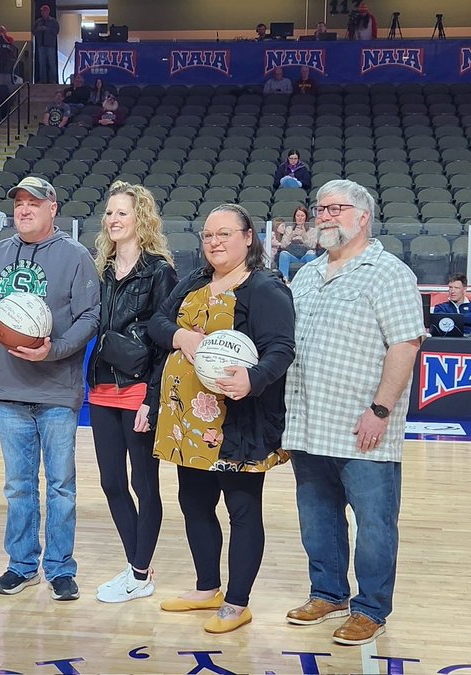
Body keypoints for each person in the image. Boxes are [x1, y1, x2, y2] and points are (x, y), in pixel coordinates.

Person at [283, 179, 424, 646]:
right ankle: (328, 594)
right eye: (320, 209)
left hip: (363, 426)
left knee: (375, 526)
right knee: (317, 519)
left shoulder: (389, 273)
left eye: (335, 209)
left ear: (362, 217)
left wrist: (380, 409)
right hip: (308, 425)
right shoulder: (306, 274)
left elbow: (405, 344)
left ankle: (371, 609)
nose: (324, 216)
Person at [149, 203, 295, 634]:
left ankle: (237, 602)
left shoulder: (265, 287)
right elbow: (158, 321)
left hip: (237, 420)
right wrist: (180, 334)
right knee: (194, 503)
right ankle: (207, 587)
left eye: (225, 234)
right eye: (209, 235)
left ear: (249, 237)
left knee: (242, 508)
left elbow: (282, 349)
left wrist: (253, 379)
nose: (214, 242)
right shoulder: (194, 280)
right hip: (185, 420)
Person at [0, 176, 100, 602]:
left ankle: (61, 568)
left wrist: (56, 351)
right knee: (17, 485)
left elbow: (90, 317)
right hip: (10, 389)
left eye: (34, 202)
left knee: (61, 485)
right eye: (19, 202)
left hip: (56, 388)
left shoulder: (75, 256)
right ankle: (22, 565)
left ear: (53, 208)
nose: (24, 209)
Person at [86, 182, 178, 604]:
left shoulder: (160, 271)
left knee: (145, 483)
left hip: (138, 388)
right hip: (102, 385)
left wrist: (151, 400)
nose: (113, 220)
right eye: (109, 213)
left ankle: (139, 573)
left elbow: (165, 342)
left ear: (140, 218)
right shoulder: (102, 268)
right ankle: (137, 565)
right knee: (110, 481)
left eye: (121, 212)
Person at [278, 208, 318, 280]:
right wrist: (290, 236)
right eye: (298, 216)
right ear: (294, 217)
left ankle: (311, 279)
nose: (300, 218)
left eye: (302, 216)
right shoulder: (289, 229)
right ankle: (284, 279)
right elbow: (283, 245)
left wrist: (304, 236)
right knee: (283, 254)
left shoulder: (312, 230)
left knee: (311, 253)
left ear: (306, 217)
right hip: (292, 255)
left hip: (305, 255)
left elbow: (313, 246)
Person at [33, 4, 60, 84]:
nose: (42, 13)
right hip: (41, 45)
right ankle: (43, 81)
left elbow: (56, 31)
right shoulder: (38, 22)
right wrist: (38, 30)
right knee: (42, 64)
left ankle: (53, 81)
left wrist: (47, 29)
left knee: (52, 64)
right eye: (42, 11)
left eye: (44, 11)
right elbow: (33, 31)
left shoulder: (53, 21)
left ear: (48, 12)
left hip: (50, 45)